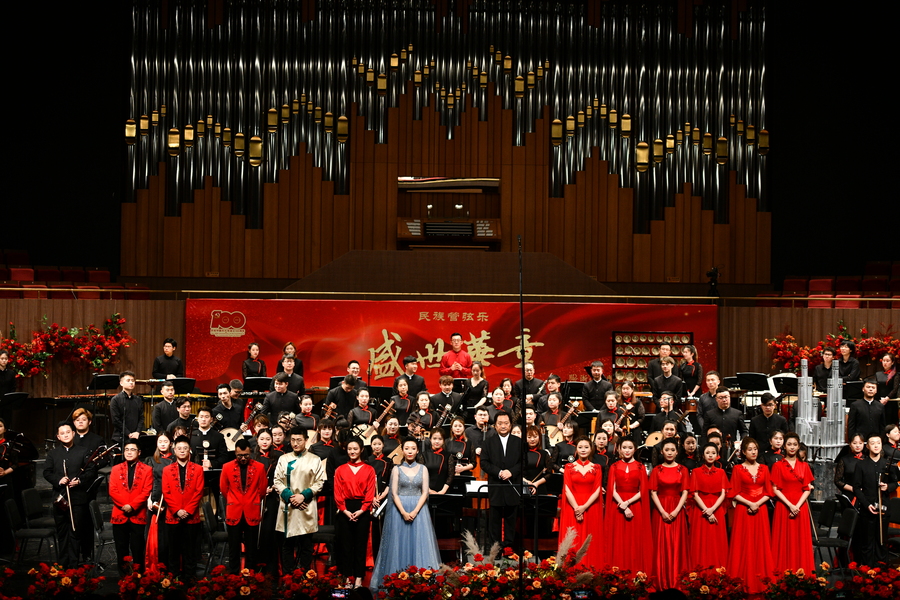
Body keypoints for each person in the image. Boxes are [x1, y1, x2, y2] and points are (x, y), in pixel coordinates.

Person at [369, 438, 441, 593]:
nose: (410, 451)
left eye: (413, 448)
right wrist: (403, 512)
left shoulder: (423, 469)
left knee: (419, 544)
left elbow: (425, 492)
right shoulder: (396, 469)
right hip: (399, 510)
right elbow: (394, 493)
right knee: (398, 544)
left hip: (419, 511)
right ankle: (397, 584)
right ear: (402, 450)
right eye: (407, 448)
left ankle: (420, 584)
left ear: (417, 451)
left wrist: (414, 511)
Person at [43, 421, 97, 568]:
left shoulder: (83, 451)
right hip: (60, 499)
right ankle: (62, 565)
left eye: (68, 432)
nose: (66, 435)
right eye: (62, 433)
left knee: (75, 533)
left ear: (73, 433)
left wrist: (79, 480)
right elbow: (47, 472)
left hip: (77, 500)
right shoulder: (53, 454)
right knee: (62, 533)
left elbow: (91, 471)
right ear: (58, 437)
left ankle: (73, 565)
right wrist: (58, 480)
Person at [726, 437, 774, 595]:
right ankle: (743, 579)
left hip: (760, 509)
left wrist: (757, 503)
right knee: (743, 543)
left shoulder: (765, 468)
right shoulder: (738, 469)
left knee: (760, 543)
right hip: (743, 509)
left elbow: (769, 491)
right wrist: (749, 503)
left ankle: (761, 580)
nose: (753, 452)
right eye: (750, 449)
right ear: (744, 452)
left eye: (755, 449)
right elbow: (733, 492)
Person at [274, 427, 327, 572]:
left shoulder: (314, 460)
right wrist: (291, 497)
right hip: (288, 506)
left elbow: (319, 482)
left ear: (306, 440)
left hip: (306, 506)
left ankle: (305, 576)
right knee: (287, 545)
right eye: (292, 440)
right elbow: (277, 481)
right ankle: (288, 576)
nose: (295, 443)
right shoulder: (283, 459)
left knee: (306, 545)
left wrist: (303, 496)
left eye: (299, 440)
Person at [851, 431, 900, 566]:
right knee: (867, 543)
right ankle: (866, 572)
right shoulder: (861, 465)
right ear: (867, 446)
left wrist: (887, 486)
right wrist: (867, 504)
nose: (876, 446)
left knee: (882, 542)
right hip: (867, 509)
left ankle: (881, 572)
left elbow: (896, 482)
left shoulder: (887, 464)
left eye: (878, 443)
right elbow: (856, 488)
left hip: (884, 508)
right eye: (873, 443)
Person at [605, 436, 651, 575]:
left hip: (635, 506)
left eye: (630, 448)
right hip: (618, 506)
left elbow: (643, 490)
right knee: (618, 540)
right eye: (624, 447)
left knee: (634, 540)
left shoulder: (640, 467)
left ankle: (635, 573)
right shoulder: (614, 466)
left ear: (635, 449)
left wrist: (627, 503)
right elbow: (611, 489)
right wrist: (623, 506)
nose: (627, 450)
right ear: (619, 449)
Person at [333, 437, 376, 587]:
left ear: (361, 450)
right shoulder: (340, 469)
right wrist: (344, 510)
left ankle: (358, 577)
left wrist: (362, 510)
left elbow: (370, 493)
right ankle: (346, 576)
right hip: (344, 509)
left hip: (362, 509)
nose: (352, 451)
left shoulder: (369, 469)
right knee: (345, 545)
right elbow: (337, 492)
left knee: (360, 545)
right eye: (350, 449)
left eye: (355, 449)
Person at [771, 432, 815, 574]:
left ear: (798, 446)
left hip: (800, 506)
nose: (792, 447)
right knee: (783, 540)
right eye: (789, 444)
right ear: (784, 446)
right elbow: (775, 489)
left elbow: (807, 489)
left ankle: (801, 573)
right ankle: (782, 574)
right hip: (783, 506)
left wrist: (797, 505)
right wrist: (790, 505)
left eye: (794, 444)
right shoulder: (777, 466)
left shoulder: (804, 466)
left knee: (800, 541)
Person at [220, 438, 267, 572]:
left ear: (250, 452)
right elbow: (224, 488)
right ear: (235, 453)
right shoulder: (227, 467)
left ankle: (250, 575)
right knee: (233, 547)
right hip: (234, 510)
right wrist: (233, 500)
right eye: (239, 455)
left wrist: (253, 500)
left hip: (252, 509)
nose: (243, 458)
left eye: (246, 455)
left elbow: (262, 489)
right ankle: (234, 575)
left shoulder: (259, 467)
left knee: (252, 548)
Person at [649, 438, 690, 590]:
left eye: (673, 450)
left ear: (677, 452)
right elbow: (653, 492)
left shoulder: (683, 470)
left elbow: (685, 492)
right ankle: (661, 581)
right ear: (662, 452)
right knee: (661, 545)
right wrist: (662, 511)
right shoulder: (656, 470)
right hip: (660, 509)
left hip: (677, 508)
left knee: (677, 544)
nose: (670, 453)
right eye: (667, 450)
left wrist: (676, 510)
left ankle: (677, 581)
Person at [162, 435, 204, 580]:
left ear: (189, 450)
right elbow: (166, 492)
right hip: (173, 516)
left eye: (185, 448)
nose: (182, 451)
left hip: (191, 516)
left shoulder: (198, 469)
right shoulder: (167, 470)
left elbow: (199, 492)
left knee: (190, 551)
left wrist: (188, 510)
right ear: (174, 450)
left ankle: (190, 580)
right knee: (173, 551)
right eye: (179, 448)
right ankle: (173, 580)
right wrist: (177, 510)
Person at [109, 440, 152, 571]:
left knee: (138, 548)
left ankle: (138, 576)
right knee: (121, 548)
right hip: (119, 513)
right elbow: (112, 491)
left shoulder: (147, 469)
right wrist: (124, 505)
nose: (129, 452)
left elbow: (146, 491)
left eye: (132, 450)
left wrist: (132, 506)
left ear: (139, 452)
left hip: (137, 513)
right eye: (127, 450)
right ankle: (123, 576)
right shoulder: (116, 469)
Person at [480, 411, 522, 547]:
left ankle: (509, 548)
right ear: (495, 426)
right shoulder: (488, 442)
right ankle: (495, 549)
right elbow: (484, 463)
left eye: (506, 423)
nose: (503, 426)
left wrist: (511, 472)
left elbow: (524, 462)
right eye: (500, 423)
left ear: (510, 425)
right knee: (494, 519)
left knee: (511, 518)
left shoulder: (519, 442)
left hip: (513, 485)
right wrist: (498, 472)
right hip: (495, 485)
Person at [690, 442, 730, 568]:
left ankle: (719, 571)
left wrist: (712, 509)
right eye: (707, 453)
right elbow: (694, 494)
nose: (710, 455)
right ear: (703, 455)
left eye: (713, 453)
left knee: (716, 540)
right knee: (701, 539)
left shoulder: (721, 472)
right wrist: (706, 510)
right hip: (701, 509)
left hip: (716, 507)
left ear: (717, 455)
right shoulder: (696, 472)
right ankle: (699, 571)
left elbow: (723, 493)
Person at [251, 429, 282, 575]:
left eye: (268, 439)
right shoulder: (251, 457)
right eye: (262, 439)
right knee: (256, 532)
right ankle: (255, 567)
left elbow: (282, 477)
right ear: (257, 440)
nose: (265, 442)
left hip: (272, 498)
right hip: (254, 499)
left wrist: (274, 487)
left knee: (270, 532)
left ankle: (271, 568)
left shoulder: (279, 456)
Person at [145, 432, 173, 565]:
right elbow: (148, 481)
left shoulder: (174, 460)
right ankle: (155, 564)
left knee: (168, 534)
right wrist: (148, 498)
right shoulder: (151, 460)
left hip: (170, 499)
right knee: (156, 532)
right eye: (160, 441)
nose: (162, 444)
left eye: (165, 441)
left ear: (171, 444)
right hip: (155, 498)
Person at [110, 371, 144, 449]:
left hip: (136, 436)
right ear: (121, 383)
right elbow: (116, 420)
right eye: (128, 380)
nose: (131, 382)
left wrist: (137, 432)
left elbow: (141, 417)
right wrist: (128, 433)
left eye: (133, 380)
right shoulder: (115, 400)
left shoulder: (138, 399)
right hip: (120, 437)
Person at [421, 428, 455, 494]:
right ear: (430, 439)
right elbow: (420, 475)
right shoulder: (424, 455)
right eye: (434, 438)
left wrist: (443, 491)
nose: (437, 441)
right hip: (426, 491)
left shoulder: (448, 455)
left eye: (440, 439)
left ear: (444, 441)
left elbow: (450, 475)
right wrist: (429, 490)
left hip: (444, 491)